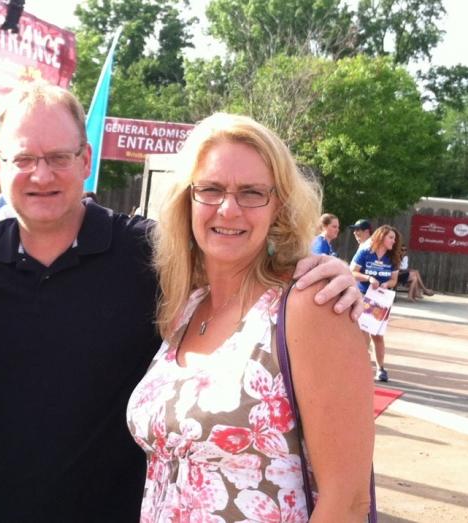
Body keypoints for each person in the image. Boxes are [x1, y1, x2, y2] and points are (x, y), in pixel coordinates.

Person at [0, 83, 363, 522]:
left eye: (58, 157)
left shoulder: (151, 257)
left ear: (86, 161)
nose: (42, 174)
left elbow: (237, 254)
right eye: (25, 158)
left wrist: (321, 269)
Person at [126, 113, 374, 521]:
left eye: (252, 193)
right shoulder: (186, 306)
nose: (228, 209)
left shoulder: (309, 306)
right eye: (210, 189)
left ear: (279, 207)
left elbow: (347, 501)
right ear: (187, 201)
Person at [350, 225, 401, 382]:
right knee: (363, 332)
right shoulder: (365, 252)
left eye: (394, 238)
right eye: (391, 237)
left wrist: (387, 284)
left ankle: (381, 368)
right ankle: (362, 366)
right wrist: (368, 278)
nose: (393, 241)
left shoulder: (393, 258)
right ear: (381, 237)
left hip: (381, 300)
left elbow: (394, 280)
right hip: (363, 297)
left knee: (377, 334)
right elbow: (352, 271)